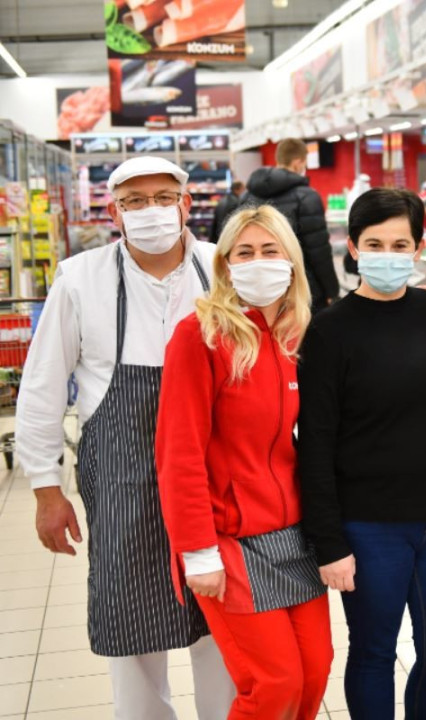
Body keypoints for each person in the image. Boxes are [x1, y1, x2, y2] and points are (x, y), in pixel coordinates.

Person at [15, 156, 235, 719]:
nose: (150, 210)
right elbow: (42, 385)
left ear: (186, 205)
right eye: (134, 202)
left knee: (224, 616)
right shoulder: (80, 278)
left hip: (218, 470)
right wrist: (45, 487)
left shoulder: (225, 267)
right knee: (132, 620)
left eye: (163, 198)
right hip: (121, 473)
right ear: (113, 213)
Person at [297, 188, 426, 719]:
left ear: (418, 247)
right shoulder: (328, 331)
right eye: (374, 244)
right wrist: (328, 542)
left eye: (400, 244)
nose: (388, 254)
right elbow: (315, 442)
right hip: (368, 526)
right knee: (374, 651)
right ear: (353, 248)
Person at [156, 205, 332, 720]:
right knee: (273, 685)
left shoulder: (297, 336)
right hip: (229, 539)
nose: (258, 262)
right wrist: (197, 551)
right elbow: (178, 452)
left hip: (293, 533)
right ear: (226, 266)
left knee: (314, 674)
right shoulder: (201, 336)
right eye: (245, 252)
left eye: (270, 250)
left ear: (292, 260)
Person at [241, 138, 339, 310]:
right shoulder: (307, 197)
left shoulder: (247, 196)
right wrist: (332, 290)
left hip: (258, 286)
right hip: (301, 288)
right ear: (298, 162)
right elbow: (318, 250)